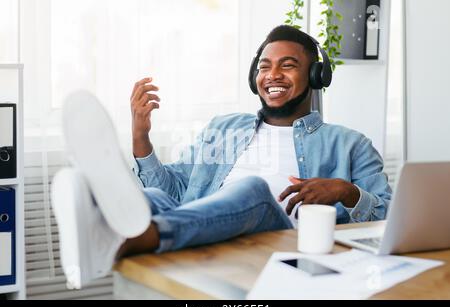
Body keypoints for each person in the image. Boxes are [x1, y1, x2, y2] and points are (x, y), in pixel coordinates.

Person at [52, 25, 392, 289]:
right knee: (154, 196)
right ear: (253, 77)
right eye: (264, 66)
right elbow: (176, 189)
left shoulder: (349, 144)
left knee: (252, 191)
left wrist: (346, 192)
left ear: (317, 76)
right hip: (206, 226)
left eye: (288, 66)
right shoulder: (224, 128)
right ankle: (97, 218)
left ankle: (132, 236)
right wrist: (141, 138)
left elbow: (390, 216)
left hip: (277, 234)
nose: (272, 75)